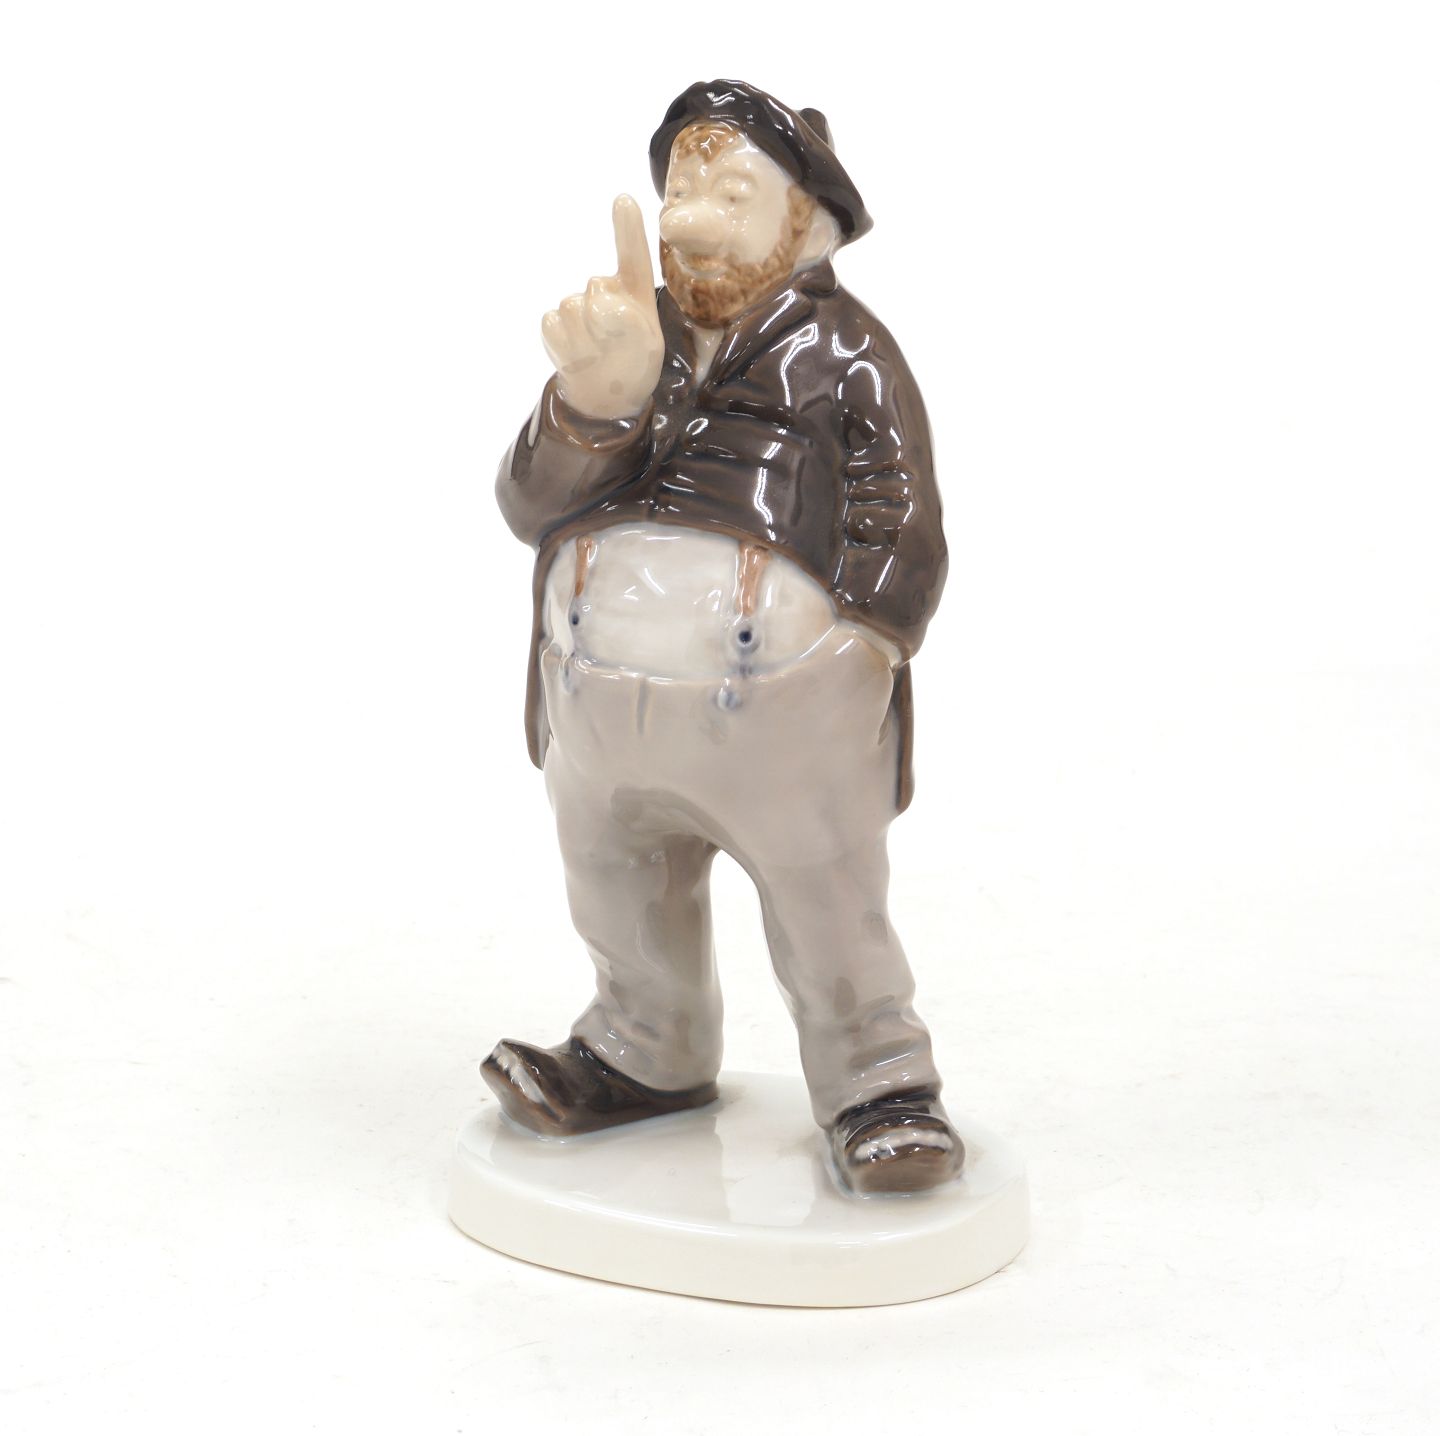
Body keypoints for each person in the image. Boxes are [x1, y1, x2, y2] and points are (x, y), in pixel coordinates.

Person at [485, 79, 960, 1194]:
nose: (694, 214)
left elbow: (899, 514)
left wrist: (860, 650)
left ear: (806, 220)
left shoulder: (843, 350)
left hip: (782, 712)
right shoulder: (626, 332)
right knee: (615, 889)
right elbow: (526, 503)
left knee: (824, 900)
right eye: (681, 189)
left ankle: (877, 1082)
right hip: (599, 712)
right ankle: (641, 1048)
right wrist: (592, 405)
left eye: (732, 191)